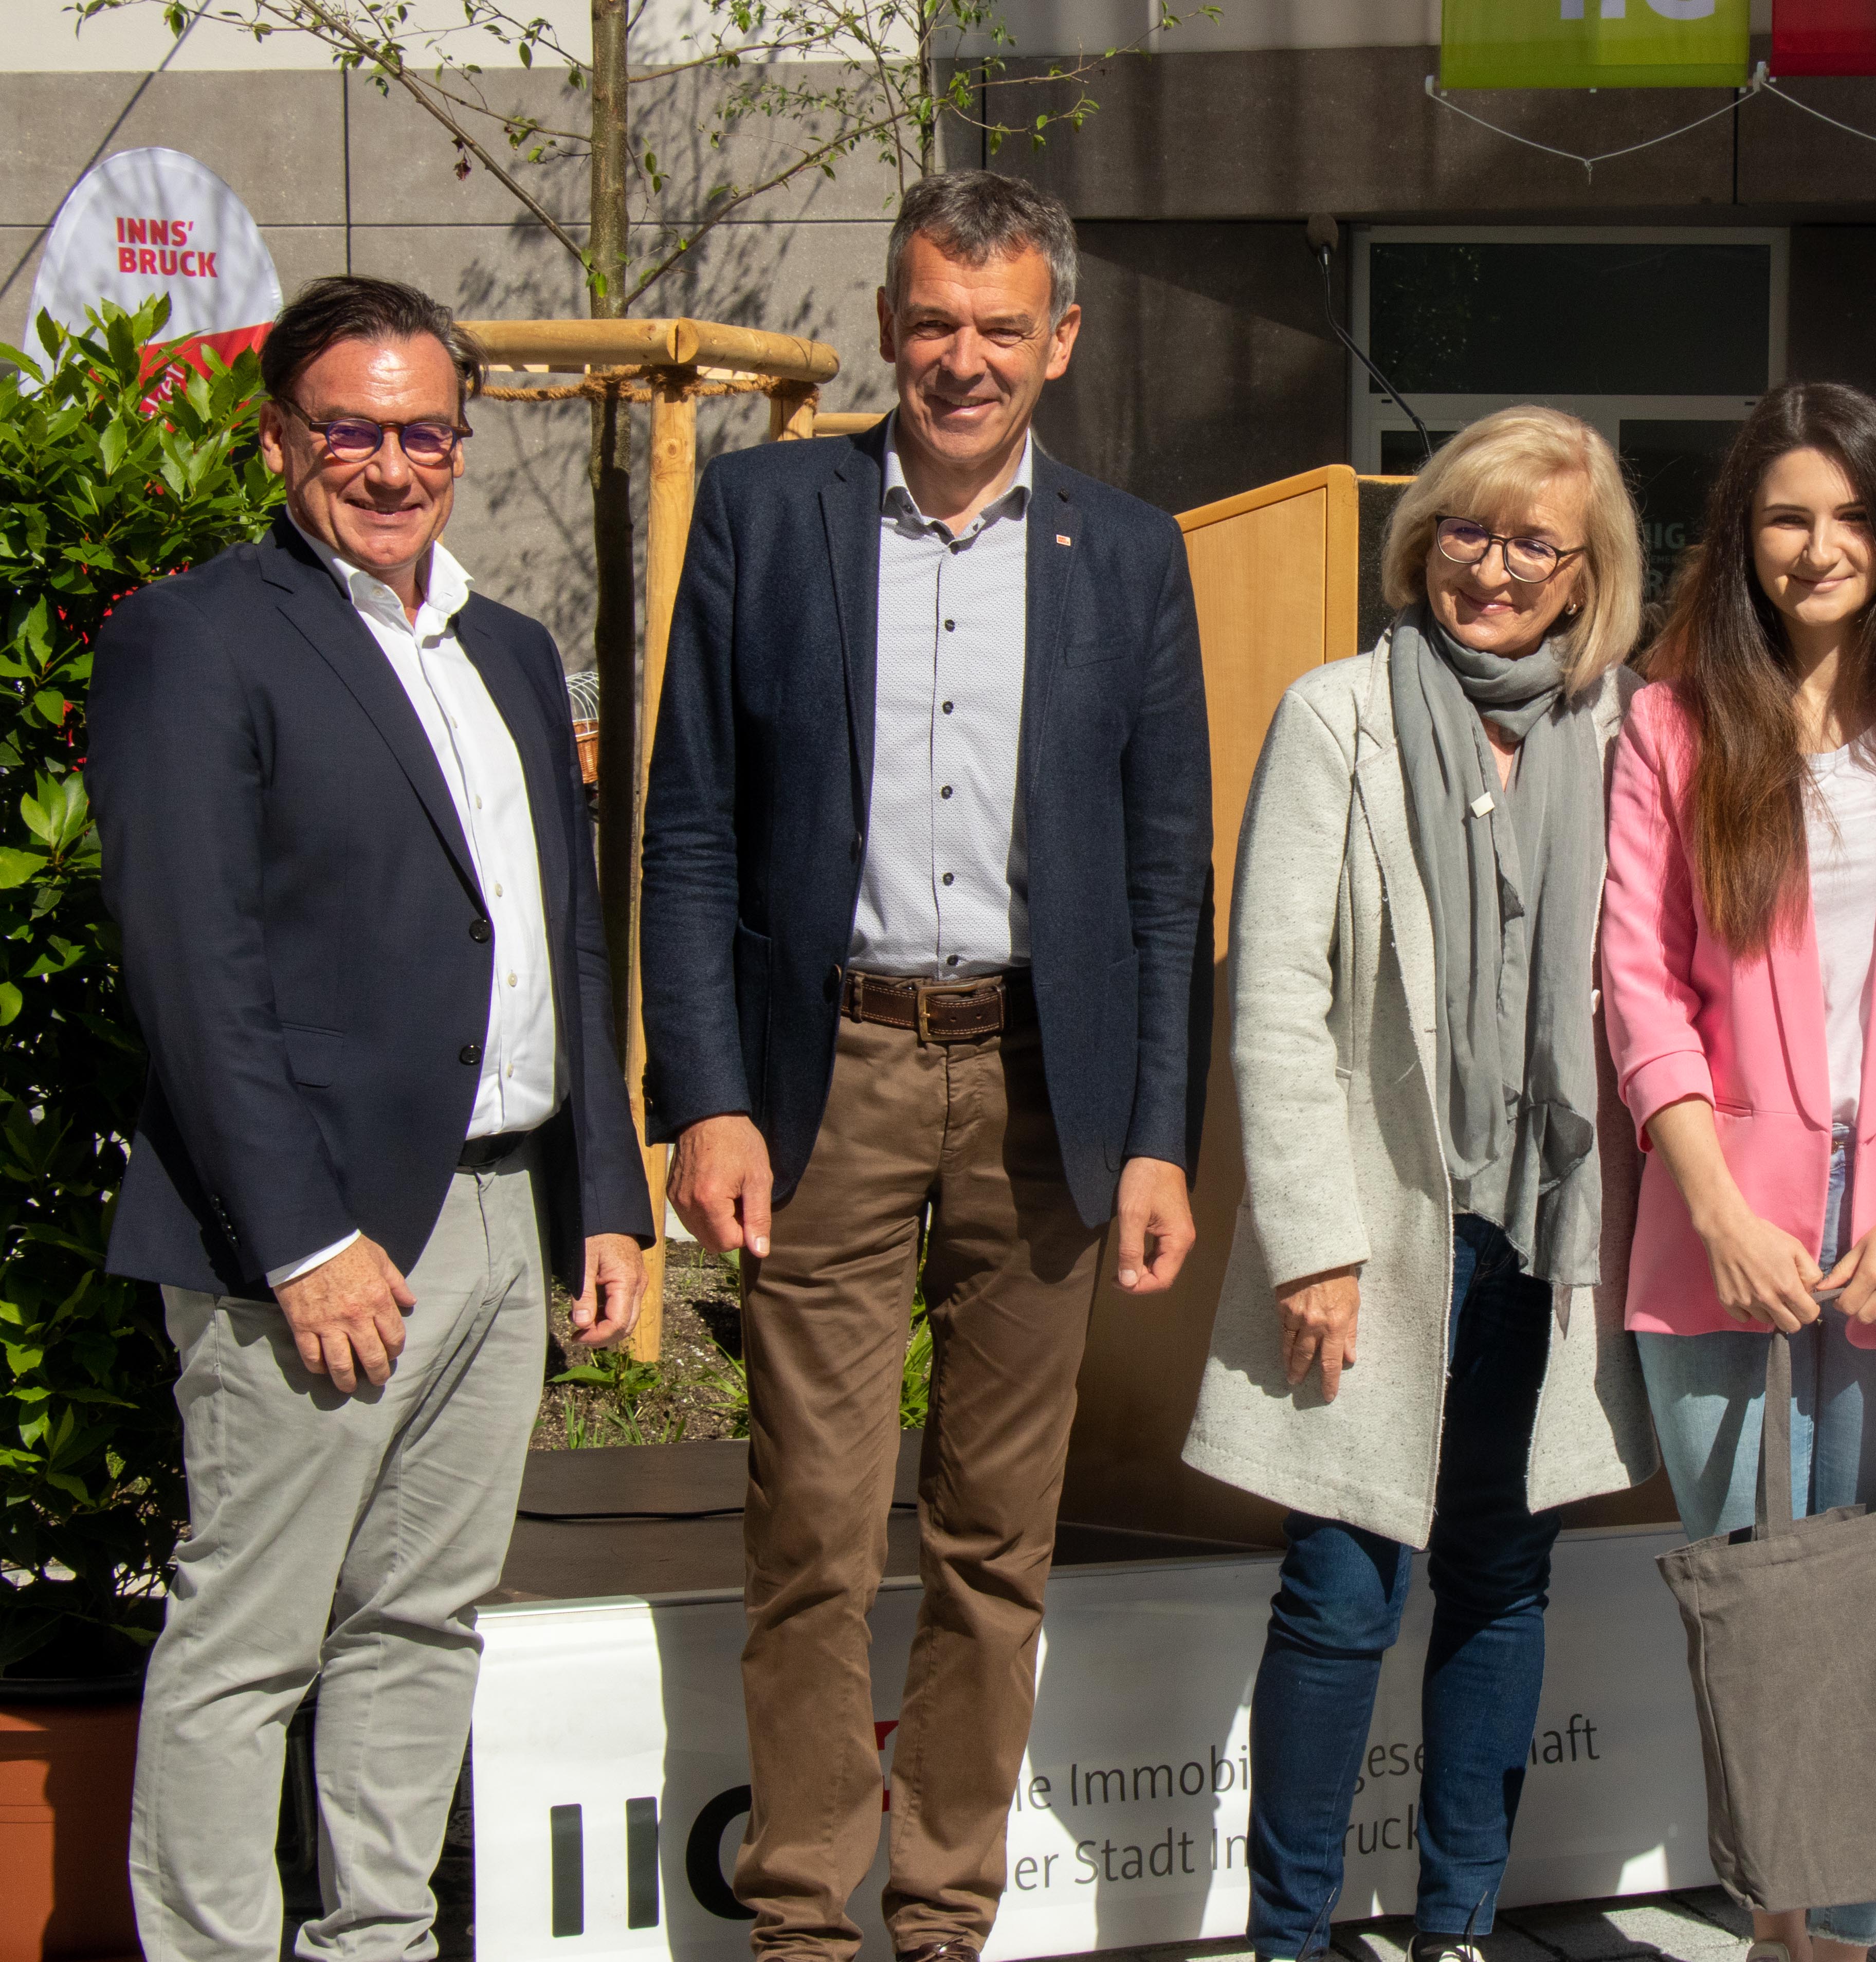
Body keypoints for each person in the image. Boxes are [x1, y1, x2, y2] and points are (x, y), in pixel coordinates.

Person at [639, 170, 1212, 1958]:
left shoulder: (1124, 550)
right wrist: (707, 1090)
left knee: (993, 1535)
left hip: (1046, 1086)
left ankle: (943, 1911)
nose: (961, 361)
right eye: (931, 322)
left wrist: (1156, 1136)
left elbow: (1161, 865)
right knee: (812, 1520)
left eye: (998, 327)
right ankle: (805, 1914)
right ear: (889, 324)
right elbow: (695, 835)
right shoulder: (762, 512)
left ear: (1059, 339)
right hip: (832, 1078)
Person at [92, 273, 651, 1957]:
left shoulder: (504, 644)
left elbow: (562, 928)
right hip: (323, 1235)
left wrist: (604, 1194)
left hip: (499, 1214)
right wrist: (304, 1237)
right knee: (249, 1643)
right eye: (352, 428)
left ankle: (379, 1940)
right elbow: (195, 970)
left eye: (425, 430)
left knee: (422, 1620)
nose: (391, 463)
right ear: (279, 438)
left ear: (461, 445)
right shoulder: (194, 640)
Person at [1184, 406, 1659, 1962]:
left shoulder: (1631, 732)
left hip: (1551, 1229)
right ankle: (1290, 1935)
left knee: (1502, 1582)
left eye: (1536, 543)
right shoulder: (1340, 716)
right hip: (1381, 1230)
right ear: (1421, 537)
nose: (1495, 568)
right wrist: (1310, 1243)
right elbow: (1278, 1000)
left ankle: (1458, 1923)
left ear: (1589, 572)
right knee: (1337, 1589)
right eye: (1468, 529)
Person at [1599, 381, 1876, 1962]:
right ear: (1743, 535)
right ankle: (1777, 1919)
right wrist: (1718, 1205)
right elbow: (1640, 986)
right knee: (1756, 1608)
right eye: (1788, 515)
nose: (1819, 547)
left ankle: (1839, 1943)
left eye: (1852, 515)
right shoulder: (1670, 720)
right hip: (1721, 1233)